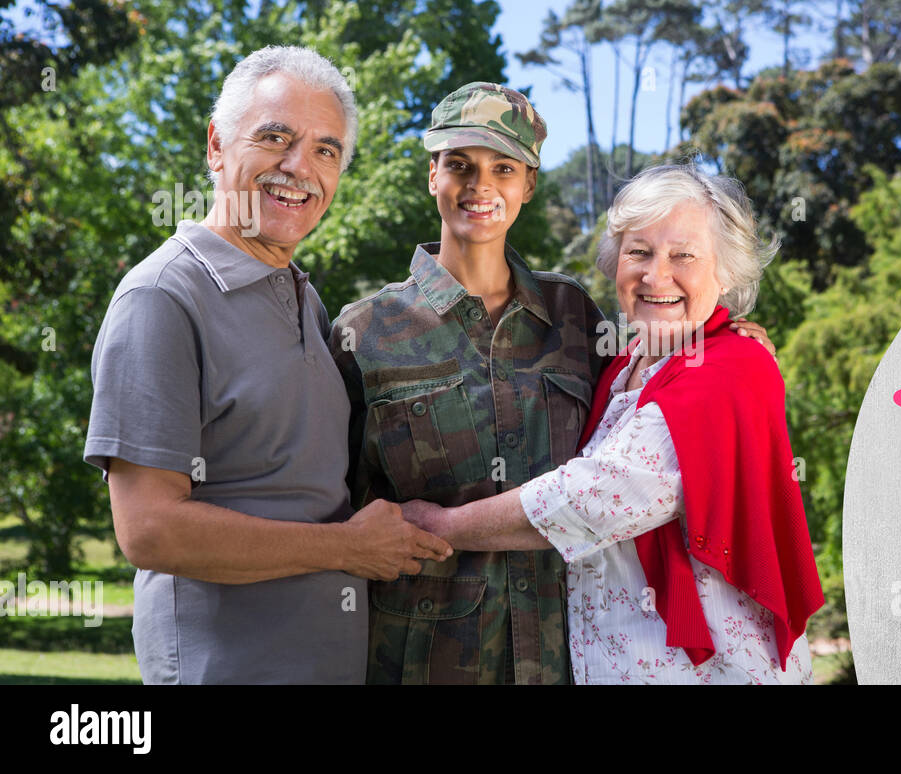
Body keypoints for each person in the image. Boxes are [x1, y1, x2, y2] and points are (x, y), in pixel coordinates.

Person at [329, 84, 777, 684]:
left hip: (566, 661)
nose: (479, 186)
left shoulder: (572, 315)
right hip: (423, 662)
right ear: (432, 174)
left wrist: (727, 339)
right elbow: (337, 512)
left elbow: (635, 431)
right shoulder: (366, 331)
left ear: (528, 185)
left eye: (503, 168)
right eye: (459, 164)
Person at [84, 46, 450, 685]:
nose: (298, 167)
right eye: (275, 136)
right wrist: (349, 548)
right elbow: (148, 530)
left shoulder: (305, 299)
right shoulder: (163, 298)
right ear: (216, 145)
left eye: (325, 151)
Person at [402, 164, 824, 684]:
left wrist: (437, 527)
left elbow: (596, 499)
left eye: (683, 255)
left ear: (728, 271)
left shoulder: (733, 365)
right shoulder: (625, 367)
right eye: (639, 252)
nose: (656, 276)